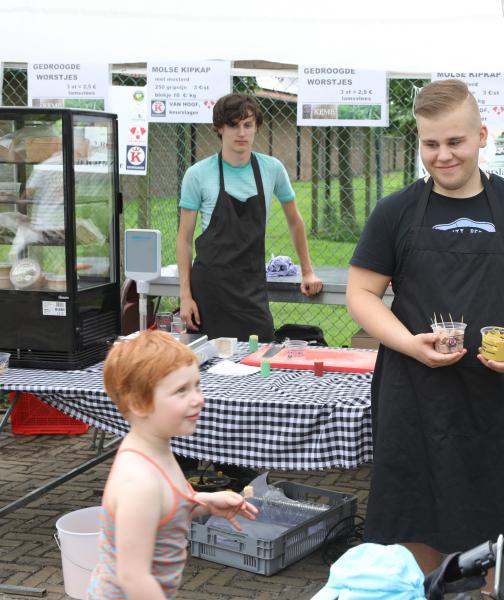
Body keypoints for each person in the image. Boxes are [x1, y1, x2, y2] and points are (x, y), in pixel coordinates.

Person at [346, 79, 504, 596]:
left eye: (455, 142)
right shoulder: (396, 212)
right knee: (415, 516)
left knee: (501, 526)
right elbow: (361, 292)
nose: (442, 156)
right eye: (430, 144)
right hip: (415, 395)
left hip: (499, 394)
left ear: (482, 136)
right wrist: (407, 343)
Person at [86, 331, 257, 598]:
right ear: (139, 404)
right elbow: (133, 576)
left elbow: (166, 506)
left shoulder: (158, 448)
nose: (198, 399)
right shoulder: (139, 481)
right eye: (181, 391)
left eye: (197, 386)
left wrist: (205, 502)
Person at [176, 93, 323, 342]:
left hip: (252, 289)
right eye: (233, 125)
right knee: (210, 367)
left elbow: (295, 221)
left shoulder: (272, 169)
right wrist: (185, 296)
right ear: (219, 128)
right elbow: (184, 239)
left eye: (248, 125)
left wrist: (307, 272)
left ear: (256, 128)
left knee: (260, 360)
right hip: (210, 290)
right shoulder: (197, 174)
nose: (241, 133)